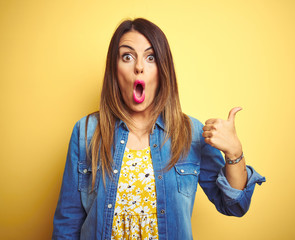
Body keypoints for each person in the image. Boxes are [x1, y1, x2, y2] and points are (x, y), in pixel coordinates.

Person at [52, 18, 265, 240]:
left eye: (150, 57)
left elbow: (234, 205)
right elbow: (67, 223)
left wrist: (234, 154)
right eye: (127, 56)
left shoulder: (190, 133)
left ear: (163, 70)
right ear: (114, 70)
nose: (139, 67)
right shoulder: (86, 132)